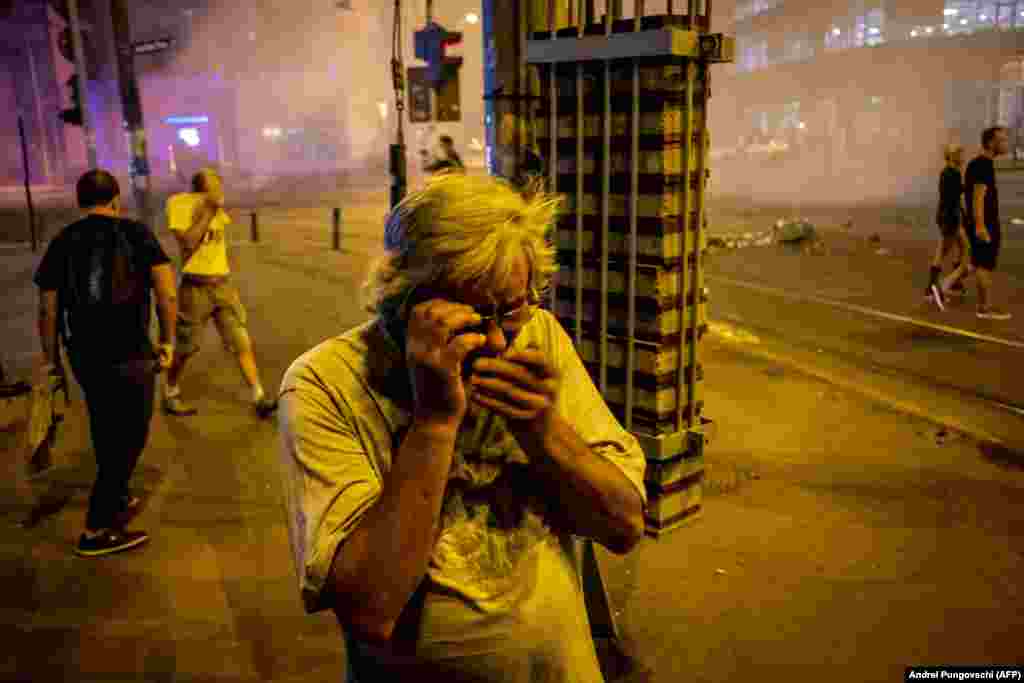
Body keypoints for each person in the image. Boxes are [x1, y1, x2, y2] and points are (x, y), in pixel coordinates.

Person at [277, 173, 646, 681]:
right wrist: (433, 423)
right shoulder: (325, 383)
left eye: (510, 309)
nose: (496, 340)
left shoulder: (535, 335)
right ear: (401, 295)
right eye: (469, 316)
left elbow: (623, 525)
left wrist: (541, 428)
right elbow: (368, 610)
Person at [33, 169, 178, 556]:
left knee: (106, 426)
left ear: (80, 202)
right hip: (131, 353)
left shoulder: (63, 241)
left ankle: (115, 496)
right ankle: (97, 528)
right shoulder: (137, 234)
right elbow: (166, 292)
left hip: (84, 356)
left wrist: (52, 363)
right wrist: (168, 340)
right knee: (130, 435)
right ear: (116, 198)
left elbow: (47, 310)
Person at [161, 168, 278, 417]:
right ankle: (170, 391)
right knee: (187, 347)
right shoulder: (181, 205)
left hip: (223, 287)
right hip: (195, 289)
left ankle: (258, 397)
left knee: (241, 341)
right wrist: (209, 211)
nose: (220, 191)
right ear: (201, 190)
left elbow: (216, 250)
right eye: (215, 186)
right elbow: (189, 242)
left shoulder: (217, 210)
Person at [964, 127, 1013, 320]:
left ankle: (944, 286)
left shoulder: (980, 164)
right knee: (984, 265)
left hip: (983, 222)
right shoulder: (983, 165)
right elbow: (978, 197)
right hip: (985, 224)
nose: (1006, 144)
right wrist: (980, 226)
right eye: (1003, 140)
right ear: (991, 143)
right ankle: (984, 308)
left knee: (979, 263)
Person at [926, 144, 970, 310]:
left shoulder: (950, 172)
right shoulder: (951, 173)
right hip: (949, 218)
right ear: (951, 156)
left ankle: (954, 283)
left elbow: (955, 198)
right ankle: (933, 288)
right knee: (943, 252)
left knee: (964, 248)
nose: (962, 155)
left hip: (949, 216)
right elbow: (953, 197)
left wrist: (963, 215)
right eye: (959, 152)